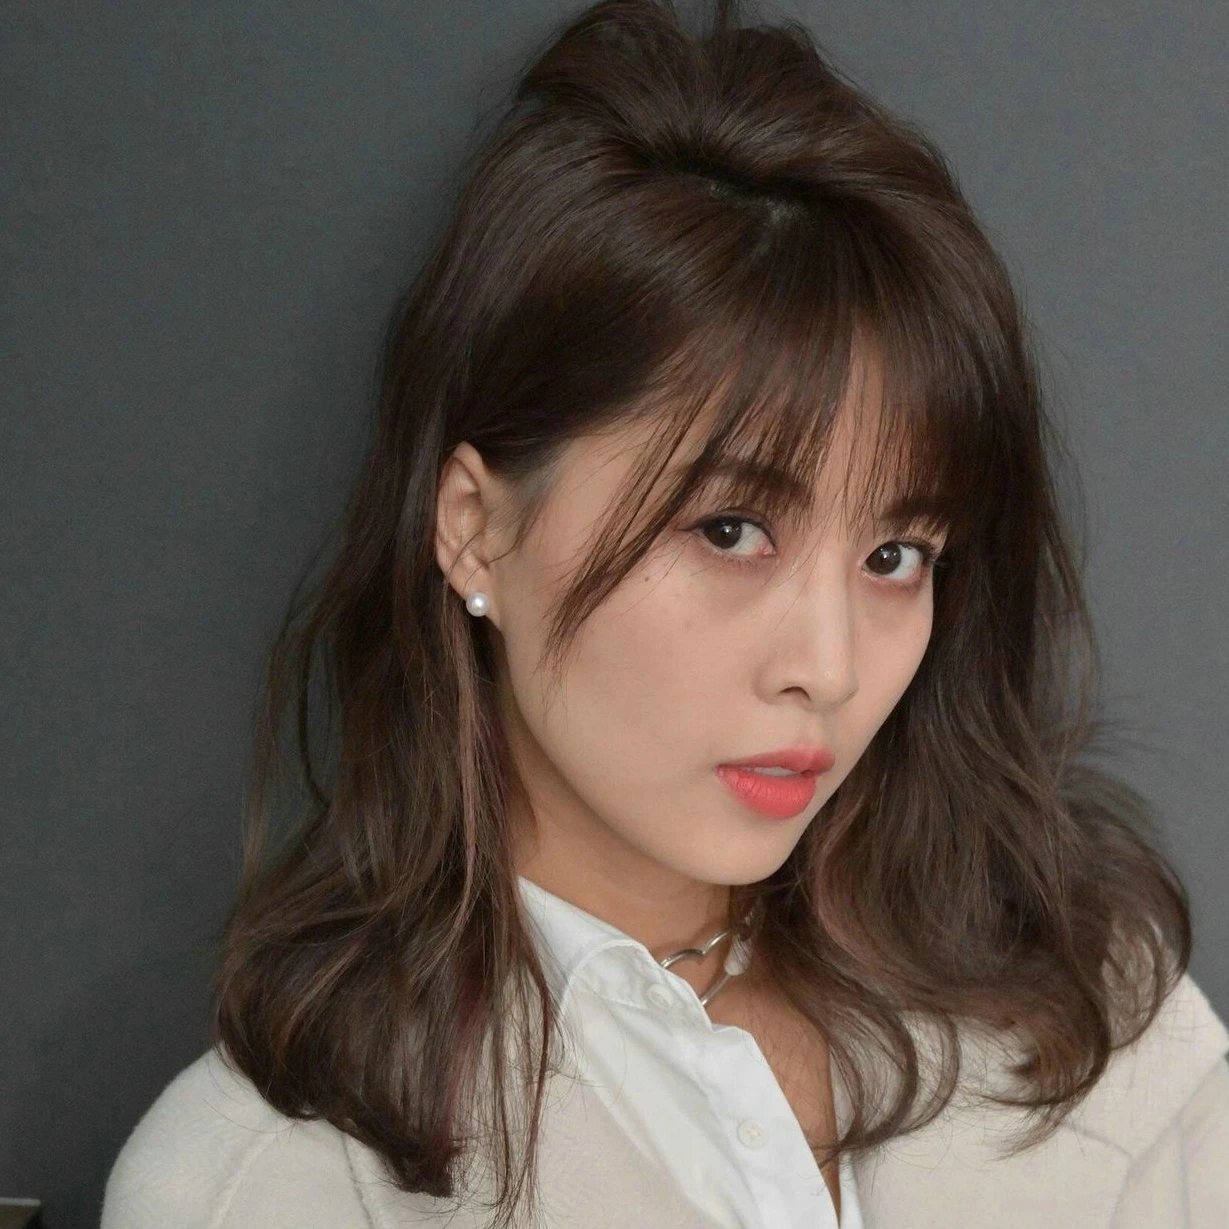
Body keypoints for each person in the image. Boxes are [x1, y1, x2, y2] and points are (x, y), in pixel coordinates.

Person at [100, 1, 1229, 1226]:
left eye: (895, 554)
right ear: (475, 526)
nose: (827, 666)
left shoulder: (1089, 1015)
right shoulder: (271, 1186)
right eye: (728, 530)